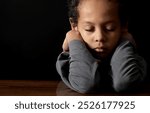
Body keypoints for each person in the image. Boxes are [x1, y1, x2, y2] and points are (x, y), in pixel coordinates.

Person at [56, 0, 147, 93]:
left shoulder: (129, 57)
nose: (99, 37)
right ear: (74, 26)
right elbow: (86, 84)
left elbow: (125, 82)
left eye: (110, 28)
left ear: (123, 25)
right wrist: (73, 38)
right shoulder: (69, 58)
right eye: (89, 29)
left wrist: (125, 41)